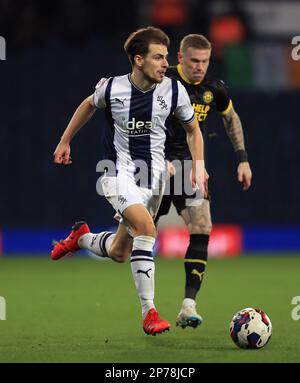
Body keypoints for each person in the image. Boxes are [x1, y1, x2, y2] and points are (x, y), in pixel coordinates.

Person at [51, 27, 206, 336]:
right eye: (158, 57)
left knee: (122, 252)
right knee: (147, 229)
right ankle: (149, 312)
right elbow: (88, 105)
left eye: (166, 56)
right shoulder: (112, 88)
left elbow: (193, 130)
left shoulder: (174, 91)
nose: (165, 63)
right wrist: (65, 141)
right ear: (138, 60)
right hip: (116, 173)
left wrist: (197, 166)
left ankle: (81, 238)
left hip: (154, 181)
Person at [154, 34, 252, 329]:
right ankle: (85, 240)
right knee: (129, 241)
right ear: (180, 59)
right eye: (194, 61)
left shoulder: (214, 89)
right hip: (154, 167)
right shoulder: (161, 81)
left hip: (189, 169)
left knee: (202, 225)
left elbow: (231, 118)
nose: (200, 67)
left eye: (205, 61)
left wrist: (243, 158)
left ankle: (188, 305)